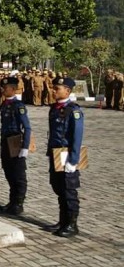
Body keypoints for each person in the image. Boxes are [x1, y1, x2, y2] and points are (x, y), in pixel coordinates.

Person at [46, 76, 84, 237]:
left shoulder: (74, 111)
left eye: (57, 89)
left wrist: (73, 160)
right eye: (54, 88)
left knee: (69, 190)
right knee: (58, 187)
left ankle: (72, 224)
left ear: (67, 91)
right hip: (55, 153)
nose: (54, 91)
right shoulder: (54, 108)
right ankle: (63, 220)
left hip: (67, 154)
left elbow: (77, 136)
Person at [0, 77, 32, 215]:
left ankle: (18, 203)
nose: (3, 90)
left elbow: (27, 127)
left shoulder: (19, 106)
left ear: (13, 89)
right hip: (6, 140)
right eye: (2, 88)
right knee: (9, 172)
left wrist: (25, 147)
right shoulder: (4, 104)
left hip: (15, 141)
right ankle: (12, 201)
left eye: (5, 88)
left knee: (18, 174)